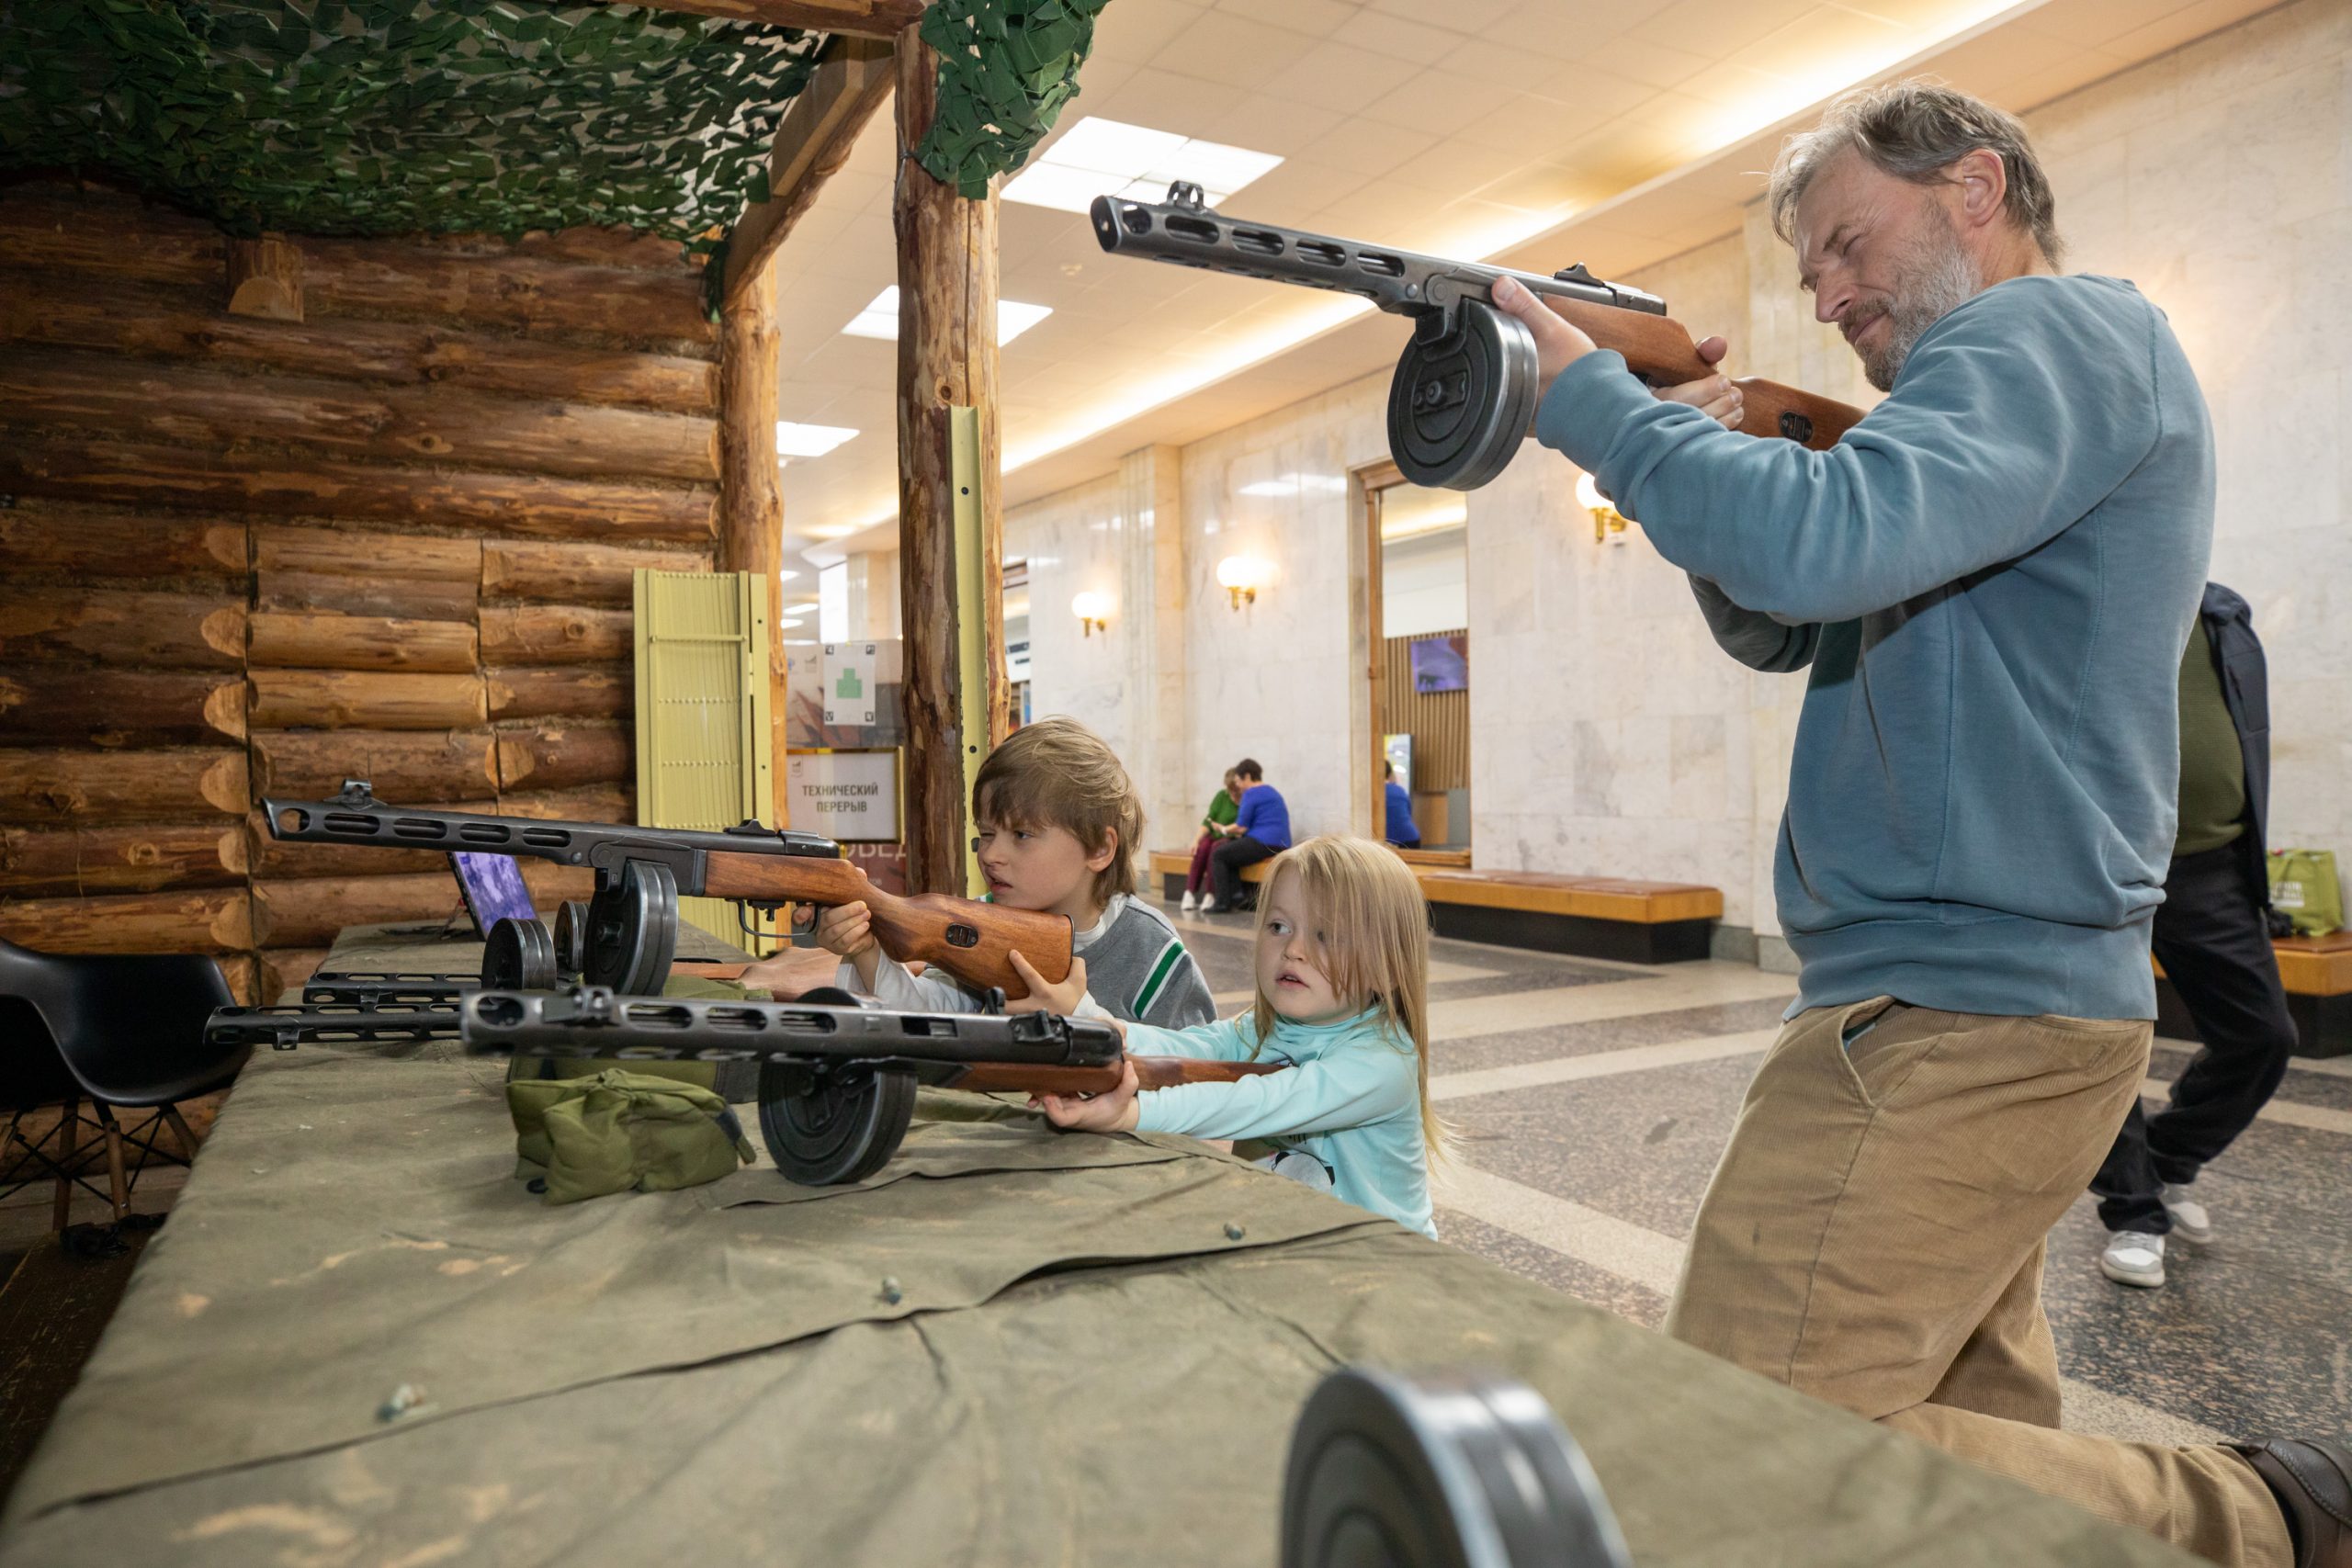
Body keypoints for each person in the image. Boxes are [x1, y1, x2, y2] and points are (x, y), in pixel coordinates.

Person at [1488, 80, 2346, 1568]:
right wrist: (1696, 454)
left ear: (1976, 189)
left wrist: (1596, 407)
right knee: (1957, 1437)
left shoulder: (2054, 334)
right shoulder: (1962, 419)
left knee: (1747, 1431)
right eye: (1808, 266)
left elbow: (1819, 545)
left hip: (1957, 1010)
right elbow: (1783, 614)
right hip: (1976, 998)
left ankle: (2269, 1512)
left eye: (1844, 241)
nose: (1823, 293)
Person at [1025, 835, 1439, 1237]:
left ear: (1388, 964)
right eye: (1278, 926)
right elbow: (1186, 1048)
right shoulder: (1264, 1028)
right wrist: (1087, 1020)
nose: (1293, 949)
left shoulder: (1383, 1062)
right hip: (1297, 1240)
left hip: (1386, 1262)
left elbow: (1256, 1100)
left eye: (1325, 935)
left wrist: (1130, 1113)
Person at [2095, 583, 2298, 1289]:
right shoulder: (2090, 601)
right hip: (2105, 863)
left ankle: (2168, 1160)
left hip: (2214, 863)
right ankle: (2134, 1211)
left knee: (2262, 1035)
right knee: (2106, 1036)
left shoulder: (2224, 616)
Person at [815, 716, 1215, 1030]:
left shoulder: (1149, 949)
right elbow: (935, 1017)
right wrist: (867, 952)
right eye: (986, 833)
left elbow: (1193, 1065)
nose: (991, 854)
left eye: (1022, 834)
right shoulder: (976, 925)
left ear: (1099, 849)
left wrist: (1081, 1015)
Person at [1206, 758, 1288, 914]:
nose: (1237, 785)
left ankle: (1223, 902)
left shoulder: (1251, 793)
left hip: (1263, 842)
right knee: (1230, 852)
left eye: (1238, 780)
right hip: (1280, 842)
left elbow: (1241, 827)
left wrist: (1222, 829)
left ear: (1248, 777)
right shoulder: (1271, 791)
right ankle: (1239, 896)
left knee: (1219, 854)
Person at [1180, 769, 1243, 913]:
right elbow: (1208, 822)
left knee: (1215, 848)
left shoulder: (1247, 800)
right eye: (1230, 789)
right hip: (1216, 834)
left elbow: (1242, 827)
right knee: (1202, 848)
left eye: (1235, 789)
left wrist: (1225, 828)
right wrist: (1196, 840)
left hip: (1230, 837)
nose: (1233, 793)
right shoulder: (1222, 796)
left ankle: (1210, 893)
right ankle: (1189, 892)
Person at [1382, 761, 1420, 850]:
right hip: (1411, 837)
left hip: (1387, 840)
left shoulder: (1373, 792)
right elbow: (1409, 812)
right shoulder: (1399, 789)